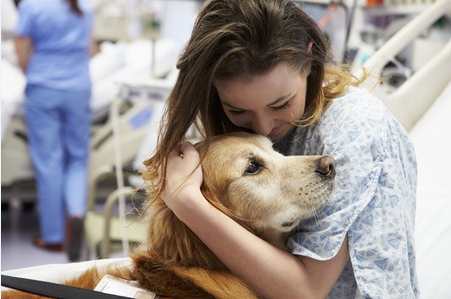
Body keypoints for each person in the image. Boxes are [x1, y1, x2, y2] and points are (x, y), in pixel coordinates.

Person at [144, 0, 418, 297]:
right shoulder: (222, 126)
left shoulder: (354, 130)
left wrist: (187, 204)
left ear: (309, 60)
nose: (261, 128)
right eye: (238, 110)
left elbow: (306, 292)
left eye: (281, 105)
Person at [14, 0, 94, 261]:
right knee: (77, 158)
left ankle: (54, 237)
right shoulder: (84, 5)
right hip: (79, 89)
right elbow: (90, 49)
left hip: (43, 88)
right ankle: (77, 214)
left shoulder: (33, 5)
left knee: (49, 162)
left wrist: (32, 73)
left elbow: (22, 48)